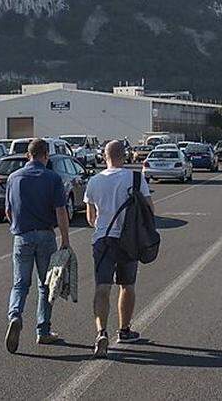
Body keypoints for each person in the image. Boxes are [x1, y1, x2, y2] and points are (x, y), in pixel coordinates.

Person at [85, 140, 153, 358]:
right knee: (127, 285)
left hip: (103, 239)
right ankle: (124, 330)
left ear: (105, 157)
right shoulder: (135, 178)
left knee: (102, 287)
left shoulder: (94, 181)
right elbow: (149, 209)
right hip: (128, 240)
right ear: (124, 156)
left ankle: (101, 332)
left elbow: (90, 217)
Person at [4, 139, 71, 353]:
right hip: (45, 236)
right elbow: (61, 210)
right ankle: (43, 331)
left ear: (28, 155)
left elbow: (8, 211)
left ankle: (15, 316)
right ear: (46, 155)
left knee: (20, 284)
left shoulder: (14, 178)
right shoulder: (52, 178)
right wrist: (66, 240)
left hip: (22, 236)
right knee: (46, 285)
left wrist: (17, 226)